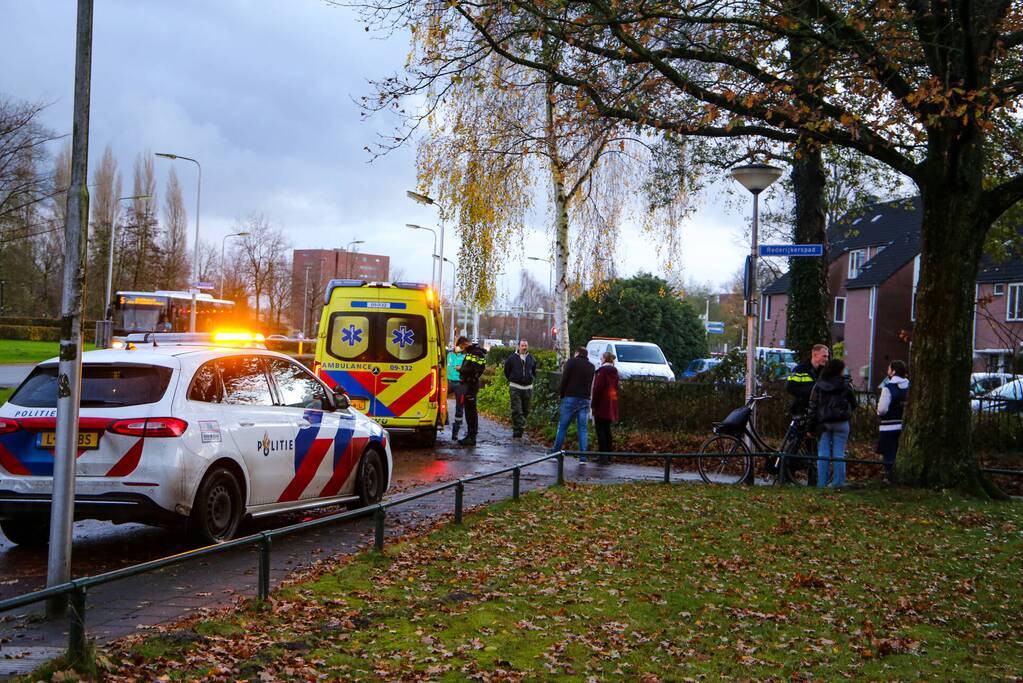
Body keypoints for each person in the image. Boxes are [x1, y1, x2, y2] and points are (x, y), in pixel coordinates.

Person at [806, 358, 857, 488]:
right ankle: (838, 482)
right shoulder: (846, 385)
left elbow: (812, 407)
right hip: (841, 422)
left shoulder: (818, 385)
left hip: (823, 423)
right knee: (839, 452)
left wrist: (809, 426)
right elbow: (854, 403)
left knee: (822, 453)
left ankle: (821, 483)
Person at [550, 346, 595, 461]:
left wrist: (562, 394)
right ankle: (583, 457)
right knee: (583, 428)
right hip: (585, 399)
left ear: (577, 353)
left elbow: (564, 379)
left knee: (563, 427)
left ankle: (555, 453)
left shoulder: (571, 362)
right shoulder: (591, 366)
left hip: (570, 397)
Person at [877, 360, 909, 480]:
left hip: (888, 426)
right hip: (904, 426)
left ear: (893, 371)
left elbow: (882, 409)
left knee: (889, 454)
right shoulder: (910, 386)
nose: (887, 371)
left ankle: (889, 477)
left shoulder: (889, 387)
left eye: (889, 369)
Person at [455, 336, 487, 446]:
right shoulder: (471, 352)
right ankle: (470, 435)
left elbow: (475, 370)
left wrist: (461, 369)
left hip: (471, 385)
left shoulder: (476, 353)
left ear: (464, 344)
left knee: (471, 411)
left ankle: (472, 436)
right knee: (468, 410)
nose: (460, 349)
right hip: (468, 384)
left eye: (460, 347)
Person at [503, 340, 537, 438]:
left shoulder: (531, 358)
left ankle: (518, 430)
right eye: (522, 345)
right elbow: (506, 370)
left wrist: (531, 379)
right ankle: (518, 429)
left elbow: (534, 371)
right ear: (518, 346)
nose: (524, 347)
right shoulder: (512, 358)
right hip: (515, 387)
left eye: (526, 345)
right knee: (517, 410)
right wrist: (512, 379)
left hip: (528, 388)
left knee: (526, 410)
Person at [590, 351, 619, 462]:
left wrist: (593, 404)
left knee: (600, 430)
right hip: (611, 403)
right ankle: (609, 454)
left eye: (601, 358)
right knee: (607, 430)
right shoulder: (614, 371)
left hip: (601, 404)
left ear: (604, 359)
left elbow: (597, 388)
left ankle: (602, 456)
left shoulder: (602, 372)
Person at [787, 343, 830, 417]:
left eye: (827, 357)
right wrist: (812, 391)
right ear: (815, 355)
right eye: (824, 356)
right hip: (801, 411)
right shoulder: (800, 370)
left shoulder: (826, 372)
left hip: (820, 412)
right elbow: (790, 388)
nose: (826, 359)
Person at [447, 342, 467, 440]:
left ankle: (456, 431)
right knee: (438, 399)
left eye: (460, 346)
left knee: (459, 406)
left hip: (460, 384)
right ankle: (443, 417)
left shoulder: (464, 357)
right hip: (448, 382)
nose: (458, 347)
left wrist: (461, 368)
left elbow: (468, 369)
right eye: (457, 345)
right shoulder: (448, 355)